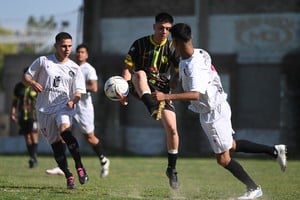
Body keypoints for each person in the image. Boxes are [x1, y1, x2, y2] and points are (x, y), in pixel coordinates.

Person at [152, 23, 287, 199]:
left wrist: (166, 97)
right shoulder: (199, 52)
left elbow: (195, 94)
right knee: (230, 145)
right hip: (218, 107)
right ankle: (274, 151)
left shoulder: (194, 67)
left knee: (223, 158)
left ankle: (253, 189)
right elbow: (186, 70)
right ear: (190, 38)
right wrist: (175, 78)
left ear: (175, 42)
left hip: (213, 114)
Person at [119, 12, 180, 189]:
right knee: (139, 73)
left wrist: (174, 81)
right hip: (140, 86)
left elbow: (177, 72)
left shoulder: (172, 48)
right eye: (161, 28)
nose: (164, 31)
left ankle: (172, 169)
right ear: (154, 27)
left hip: (161, 91)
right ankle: (151, 107)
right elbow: (127, 70)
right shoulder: (140, 44)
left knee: (172, 129)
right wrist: (121, 90)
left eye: (168, 29)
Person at [23, 32, 89, 189]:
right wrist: (32, 83)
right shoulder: (43, 61)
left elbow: (78, 92)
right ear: (56, 46)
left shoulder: (74, 67)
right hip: (44, 110)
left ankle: (80, 167)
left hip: (64, 107)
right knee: (56, 145)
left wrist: (73, 101)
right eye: (63, 46)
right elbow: (26, 77)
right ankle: (68, 175)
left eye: (69, 46)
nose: (67, 49)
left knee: (65, 130)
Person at [46, 44, 110, 178]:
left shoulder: (88, 69)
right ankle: (61, 167)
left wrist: (77, 87)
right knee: (63, 132)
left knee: (90, 137)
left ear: (86, 55)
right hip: (68, 107)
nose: (79, 54)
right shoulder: (70, 66)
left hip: (83, 109)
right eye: (78, 52)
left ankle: (103, 159)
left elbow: (94, 87)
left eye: (82, 52)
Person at [11, 67, 39, 168]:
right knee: (27, 136)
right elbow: (14, 102)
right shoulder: (18, 87)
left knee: (34, 135)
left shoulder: (35, 86)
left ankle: (34, 156)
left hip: (34, 115)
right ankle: (32, 157)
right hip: (22, 115)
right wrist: (13, 113)